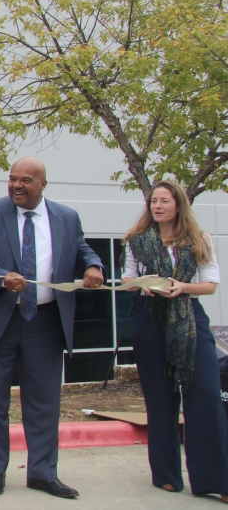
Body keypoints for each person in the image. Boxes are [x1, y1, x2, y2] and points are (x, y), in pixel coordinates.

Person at [0, 157, 103, 498]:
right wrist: (0, 276)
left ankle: (42, 472)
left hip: (45, 322)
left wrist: (94, 264)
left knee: (44, 402)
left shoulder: (66, 217)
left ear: (42, 185)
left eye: (25, 180)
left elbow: (80, 248)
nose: (17, 186)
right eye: (12, 179)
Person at [121, 180, 228, 501]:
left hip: (190, 322)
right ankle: (166, 475)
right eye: (153, 201)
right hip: (149, 319)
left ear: (178, 205)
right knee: (160, 400)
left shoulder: (199, 240)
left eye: (164, 201)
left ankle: (216, 480)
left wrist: (182, 287)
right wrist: (144, 284)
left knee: (206, 394)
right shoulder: (137, 241)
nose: (157, 206)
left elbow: (210, 285)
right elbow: (126, 280)